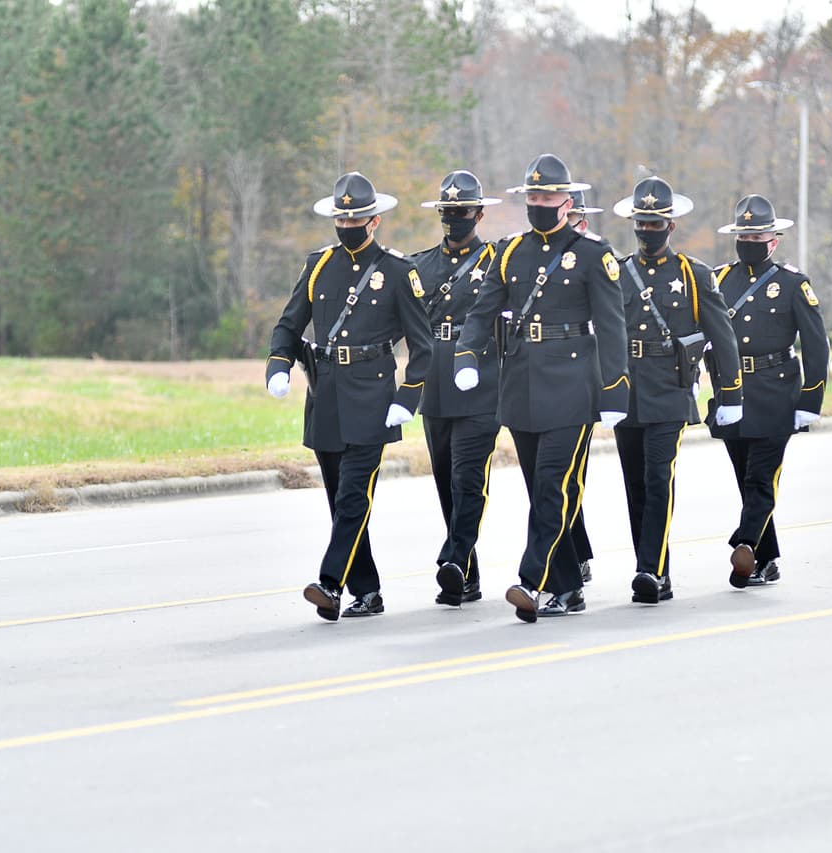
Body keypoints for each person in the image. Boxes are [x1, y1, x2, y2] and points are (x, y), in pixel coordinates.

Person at [453, 153, 629, 622]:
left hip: (573, 383)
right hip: (522, 382)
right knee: (541, 489)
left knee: (554, 485)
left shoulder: (594, 254)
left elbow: (612, 327)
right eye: (532, 197)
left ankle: (531, 580)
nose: (539, 204)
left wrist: (615, 390)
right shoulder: (512, 251)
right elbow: (482, 311)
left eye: (547, 197)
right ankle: (568, 588)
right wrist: (467, 354)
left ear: (567, 201)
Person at [265, 172, 434, 621]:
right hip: (326, 394)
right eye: (342, 218)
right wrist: (278, 362)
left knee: (353, 498)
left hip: (373, 397)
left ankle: (329, 583)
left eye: (356, 217)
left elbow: (423, 345)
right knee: (340, 498)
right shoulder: (319, 264)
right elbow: (290, 322)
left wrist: (408, 396)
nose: (348, 225)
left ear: (374, 220)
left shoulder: (399, 272)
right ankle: (368, 590)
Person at [610, 176, 745, 604]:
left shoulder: (694, 274)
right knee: (635, 483)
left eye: (655, 224)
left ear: (671, 227)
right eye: (641, 224)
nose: (647, 231)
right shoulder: (617, 273)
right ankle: (654, 568)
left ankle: (649, 568)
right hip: (627, 388)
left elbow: (721, 337)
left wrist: (731, 393)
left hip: (669, 387)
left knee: (657, 476)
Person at [708, 193, 829, 588]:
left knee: (761, 478)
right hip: (734, 394)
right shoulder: (720, 280)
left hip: (777, 392)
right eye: (744, 234)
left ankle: (745, 545)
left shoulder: (793, 283)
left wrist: (810, 399)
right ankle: (767, 559)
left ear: (773, 240)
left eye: (758, 235)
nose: (750, 241)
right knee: (746, 480)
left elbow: (816, 344)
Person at [409, 170, 501, 607]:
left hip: (481, 380)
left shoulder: (497, 262)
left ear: (479, 213)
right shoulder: (420, 264)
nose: (453, 219)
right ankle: (467, 574)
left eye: (461, 211)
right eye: (446, 211)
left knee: (468, 477)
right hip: (435, 385)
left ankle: (454, 556)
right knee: (446, 480)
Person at [564, 189, 604, 585]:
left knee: (571, 475)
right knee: (556, 478)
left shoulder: (591, 257)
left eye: (573, 216)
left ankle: (575, 555)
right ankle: (575, 551)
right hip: (543, 374)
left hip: (580, 372)